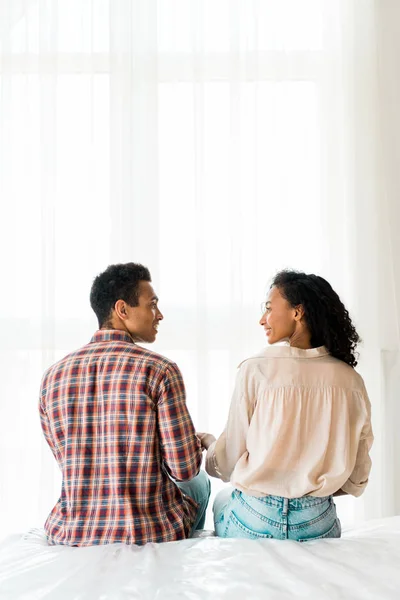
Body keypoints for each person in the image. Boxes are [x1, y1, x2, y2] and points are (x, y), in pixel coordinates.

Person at [39, 262, 210, 546]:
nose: (160, 315)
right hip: (147, 530)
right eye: (152, 305)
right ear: (122, 310)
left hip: (72, 531)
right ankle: (180, 561)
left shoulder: (53, 376)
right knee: (200, 482)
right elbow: (184, 469)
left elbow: (69, 460)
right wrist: (196, 442)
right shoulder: (160, 369)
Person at [199, 270, 373, 541]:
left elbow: (229, 459)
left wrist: (211, 447)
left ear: (297, 312)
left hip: (256, 520)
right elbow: (358, 475)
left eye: (268, 308)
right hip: (318, 524)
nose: (262, 319)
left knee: (222, 497)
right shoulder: (351, 381)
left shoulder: (256, 369)